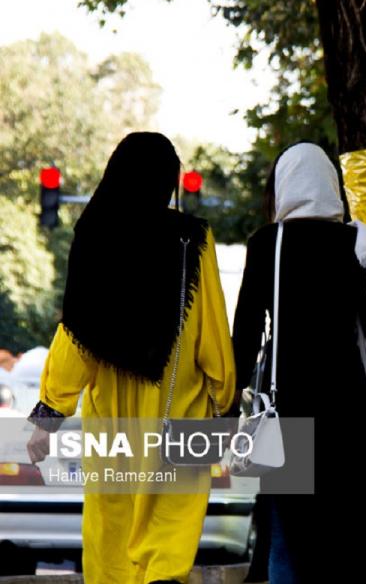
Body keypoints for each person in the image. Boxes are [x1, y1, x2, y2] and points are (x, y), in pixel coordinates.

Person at [25, 132, 236, 584]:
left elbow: (75, 336)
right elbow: (213, 328)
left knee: (113, 535)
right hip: (178, 415)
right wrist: (226, 400)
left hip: (116, 422)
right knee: (167, 542)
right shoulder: (193, 240)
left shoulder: (94, 235)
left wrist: (49, 413)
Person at [232, 142, 366, 584]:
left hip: (289, 411)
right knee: (350, 529)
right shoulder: (359, 243)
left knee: (289, 533)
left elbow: (246, 333)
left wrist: (228, 403)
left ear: (284, 186)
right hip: (348, 409)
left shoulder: (269, 244)